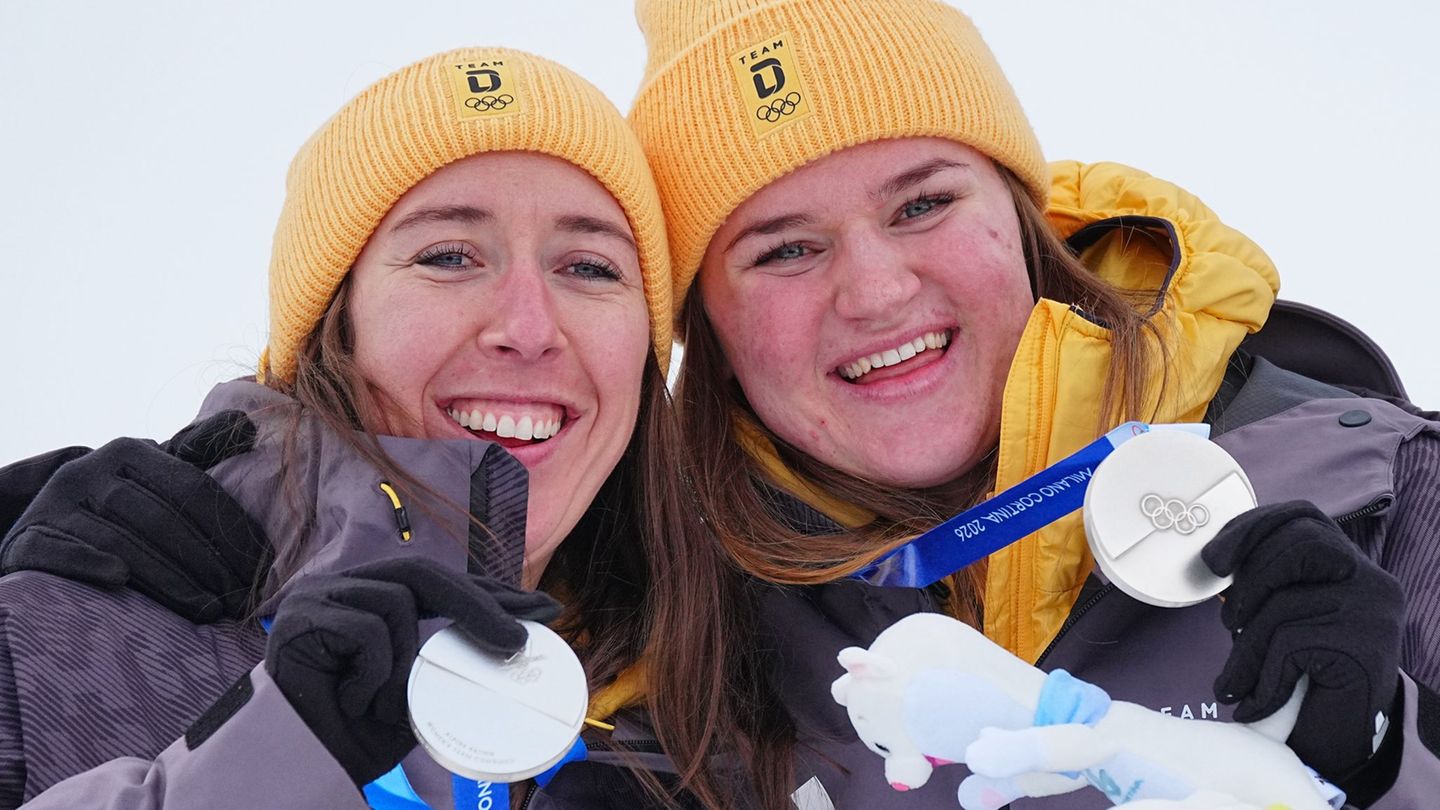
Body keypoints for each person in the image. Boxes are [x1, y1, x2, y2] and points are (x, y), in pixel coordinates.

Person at [625, 0, 1440, 807]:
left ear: (1024, 220)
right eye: (787, 249)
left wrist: (1378, 755)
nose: (875, 292)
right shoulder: (667, 643)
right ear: (707, 327)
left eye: (922, 205)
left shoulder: (1388, 490)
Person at [0, 47, 762, 809]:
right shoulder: (54, 644)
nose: (530, 327)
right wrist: (275, 757)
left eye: (590, 267)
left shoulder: (731, 713)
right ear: (334, 323)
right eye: (450, 256)